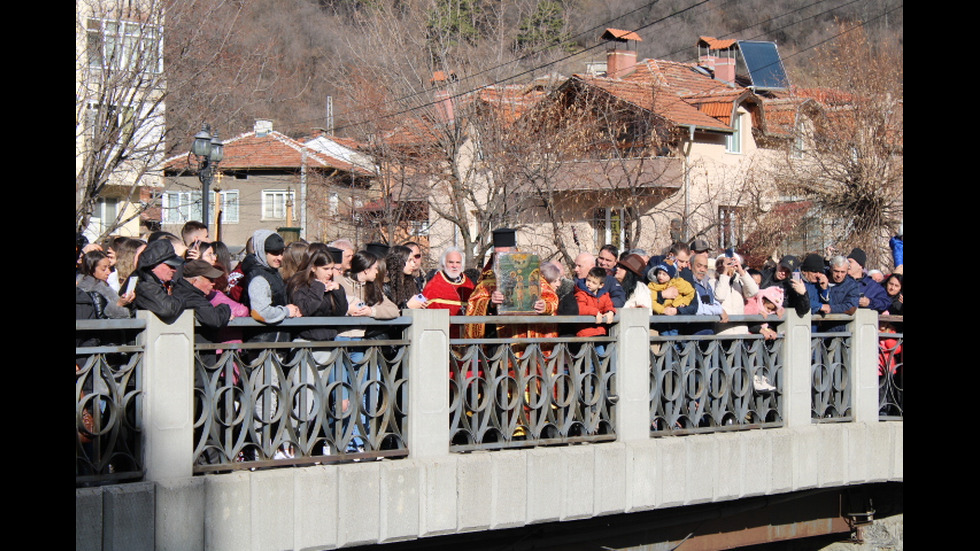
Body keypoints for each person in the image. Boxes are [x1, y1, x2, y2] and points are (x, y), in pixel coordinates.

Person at [464, 228, 558, 341]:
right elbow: (473, 303)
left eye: (504, 254)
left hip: (523, 340)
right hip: (496, 339)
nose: (500, 259)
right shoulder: (487, 280)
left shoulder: (532, 275)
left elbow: (551, 299)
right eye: (497, 254)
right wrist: (490, 303)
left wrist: (544, 306)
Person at [239, 230, 302, 343]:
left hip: (274, 343)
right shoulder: (258, 278)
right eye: (274, 253)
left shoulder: (272, 272)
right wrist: (287, 311)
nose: (280, 258)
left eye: (282, 253)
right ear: (262, 252)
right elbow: (260, 312)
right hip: (263, 345)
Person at [171, 260, 233, 347]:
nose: (213, 283)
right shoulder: (190, 297)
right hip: (196, 355)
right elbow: (215, 320)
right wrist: (225, 308)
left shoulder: (184, 292)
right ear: (195, 281)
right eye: (210, 279)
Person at [132, 238, 185, 324]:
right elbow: (167, 309)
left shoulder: (157, 283)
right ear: (153, 266)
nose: (174, 270)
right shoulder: (145, 286)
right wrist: (182, 297)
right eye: (170, 266)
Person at [76, 249, 135, 319]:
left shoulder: (102, 285)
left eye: (109, 267)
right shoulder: (95, 290)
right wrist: (120, 303)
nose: (108, 272)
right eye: (103, 269)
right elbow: (104, 315)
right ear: (91, 269)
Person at [710, 251, 759, 335]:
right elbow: (720, 297)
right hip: (723, 332)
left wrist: (741, 271)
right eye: (721, 263)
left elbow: (754, 291)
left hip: (741, 331)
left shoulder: (739, 282)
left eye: (730, 263)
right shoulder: (712, 282)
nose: (725, 265)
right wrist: (725, 274)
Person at [422, 246, 476, 319]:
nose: (454, 266)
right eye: (451, 262)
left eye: (458, 262)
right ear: (444, 264)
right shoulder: (434, 284)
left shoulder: (468, 285)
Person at [647, 263, 695, 336]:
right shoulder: (653, 286)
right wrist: (663, 310)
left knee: (676, 333)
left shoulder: (678, 283)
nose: (660, 276)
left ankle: (678, 346)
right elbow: (651, 301)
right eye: (659, 273)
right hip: (661, 317)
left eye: (664, 274)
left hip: (675, 314)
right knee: (665, 334)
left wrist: (683, 302)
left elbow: (691, 292)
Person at [574, 267, 617, 340]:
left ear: (600, 285)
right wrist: (595, 312)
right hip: (584, 333)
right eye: (588, 280)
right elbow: (580, 308)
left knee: (601, 350)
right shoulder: (581, 294)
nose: (589, 284)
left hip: (600, 332)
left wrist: (610, 312)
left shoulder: (604, 295)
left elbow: (608, 305)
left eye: (594, 283)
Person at [846, 248, 891, 313]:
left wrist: (869, 302)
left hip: (864, 321)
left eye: (850, 262)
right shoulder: (841, 281)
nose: (847, 265)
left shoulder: (873, 286)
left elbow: (886, 303)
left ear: (860, 266)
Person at [384, 245, 427, 310]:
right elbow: (388, 313)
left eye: (413, 261)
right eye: (409, 260)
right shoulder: (385, 287)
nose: (413, 264)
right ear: (399, 262)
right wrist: (407, 306)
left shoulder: (412, 284)